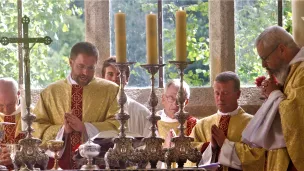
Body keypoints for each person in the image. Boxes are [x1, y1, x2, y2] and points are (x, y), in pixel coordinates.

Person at [212, 26, 304, 171]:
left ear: (281, 49)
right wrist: (277, 93)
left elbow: (297, 118)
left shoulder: (302, 73)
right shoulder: (292, 72)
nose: (263, 65)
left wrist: (274, 95)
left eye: (265, 58)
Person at [32, 42, 120, 169]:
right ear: (70, 62)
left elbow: (117, 125)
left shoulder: (111, 90)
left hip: (98, 164)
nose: (85, 72)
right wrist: (63, 130)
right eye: (81, 66)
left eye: (91, 68)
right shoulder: (50, 92)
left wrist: (85, 127)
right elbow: (37, 129)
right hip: (59, 164)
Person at [188, 71, 253, 170]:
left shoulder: (251, 123)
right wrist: (210, 147)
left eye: (225, 93)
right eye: (217, 93)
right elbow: (190, 151)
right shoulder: (202, 124)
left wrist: (225, 143)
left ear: (238, 94)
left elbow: (256, 155)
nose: (220, 98)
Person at [100, 57, 151, 137]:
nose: (114, 79)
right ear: (103, 78)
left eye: (119, 74)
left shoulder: (142, 113)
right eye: (110, 74)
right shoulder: (96, 112)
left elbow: (150, 145)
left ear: (127, 79)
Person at [157, 79, 196, 148]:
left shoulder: (193, 124)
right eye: (171, 98)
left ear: (186, 102)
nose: (175, 104)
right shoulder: (152, 123)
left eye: (180, 100)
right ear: (163, 99)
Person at [0, 78, 26, 169]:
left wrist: (16, 158)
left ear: (18, 94)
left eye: (10, 104)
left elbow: (40, 150)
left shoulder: (31, 116)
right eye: (1, 105)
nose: (6, 111)